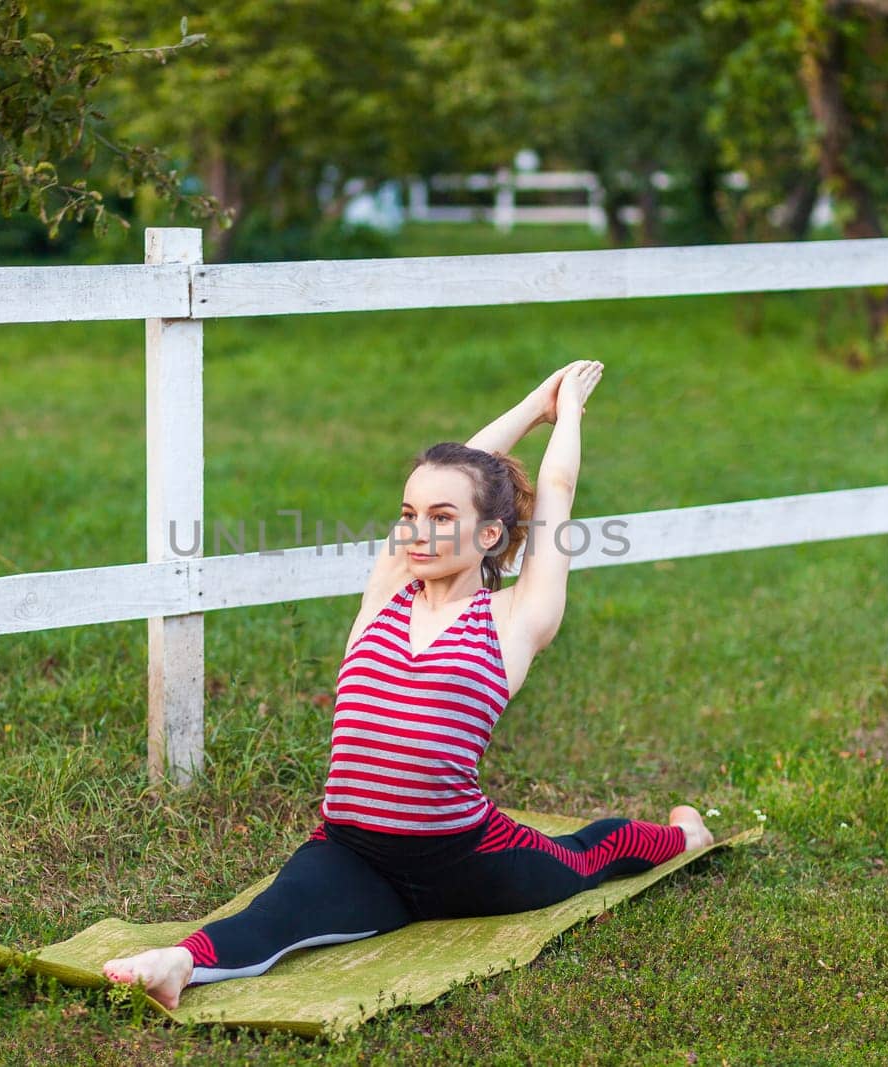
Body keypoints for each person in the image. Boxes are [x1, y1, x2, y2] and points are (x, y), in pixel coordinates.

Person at [103, 359, 712, 1009]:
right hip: (353, 850)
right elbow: (464, 464)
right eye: (409, 513)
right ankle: (176, 964)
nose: (418, 530)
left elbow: (556, 487)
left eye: (442, 516)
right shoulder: (387, 595)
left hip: (467, 856)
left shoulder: (511, 621)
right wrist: (532, 402)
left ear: (488, 534)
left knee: (588, 857)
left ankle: (686, 835)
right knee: (273, 914)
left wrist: (562, 414)